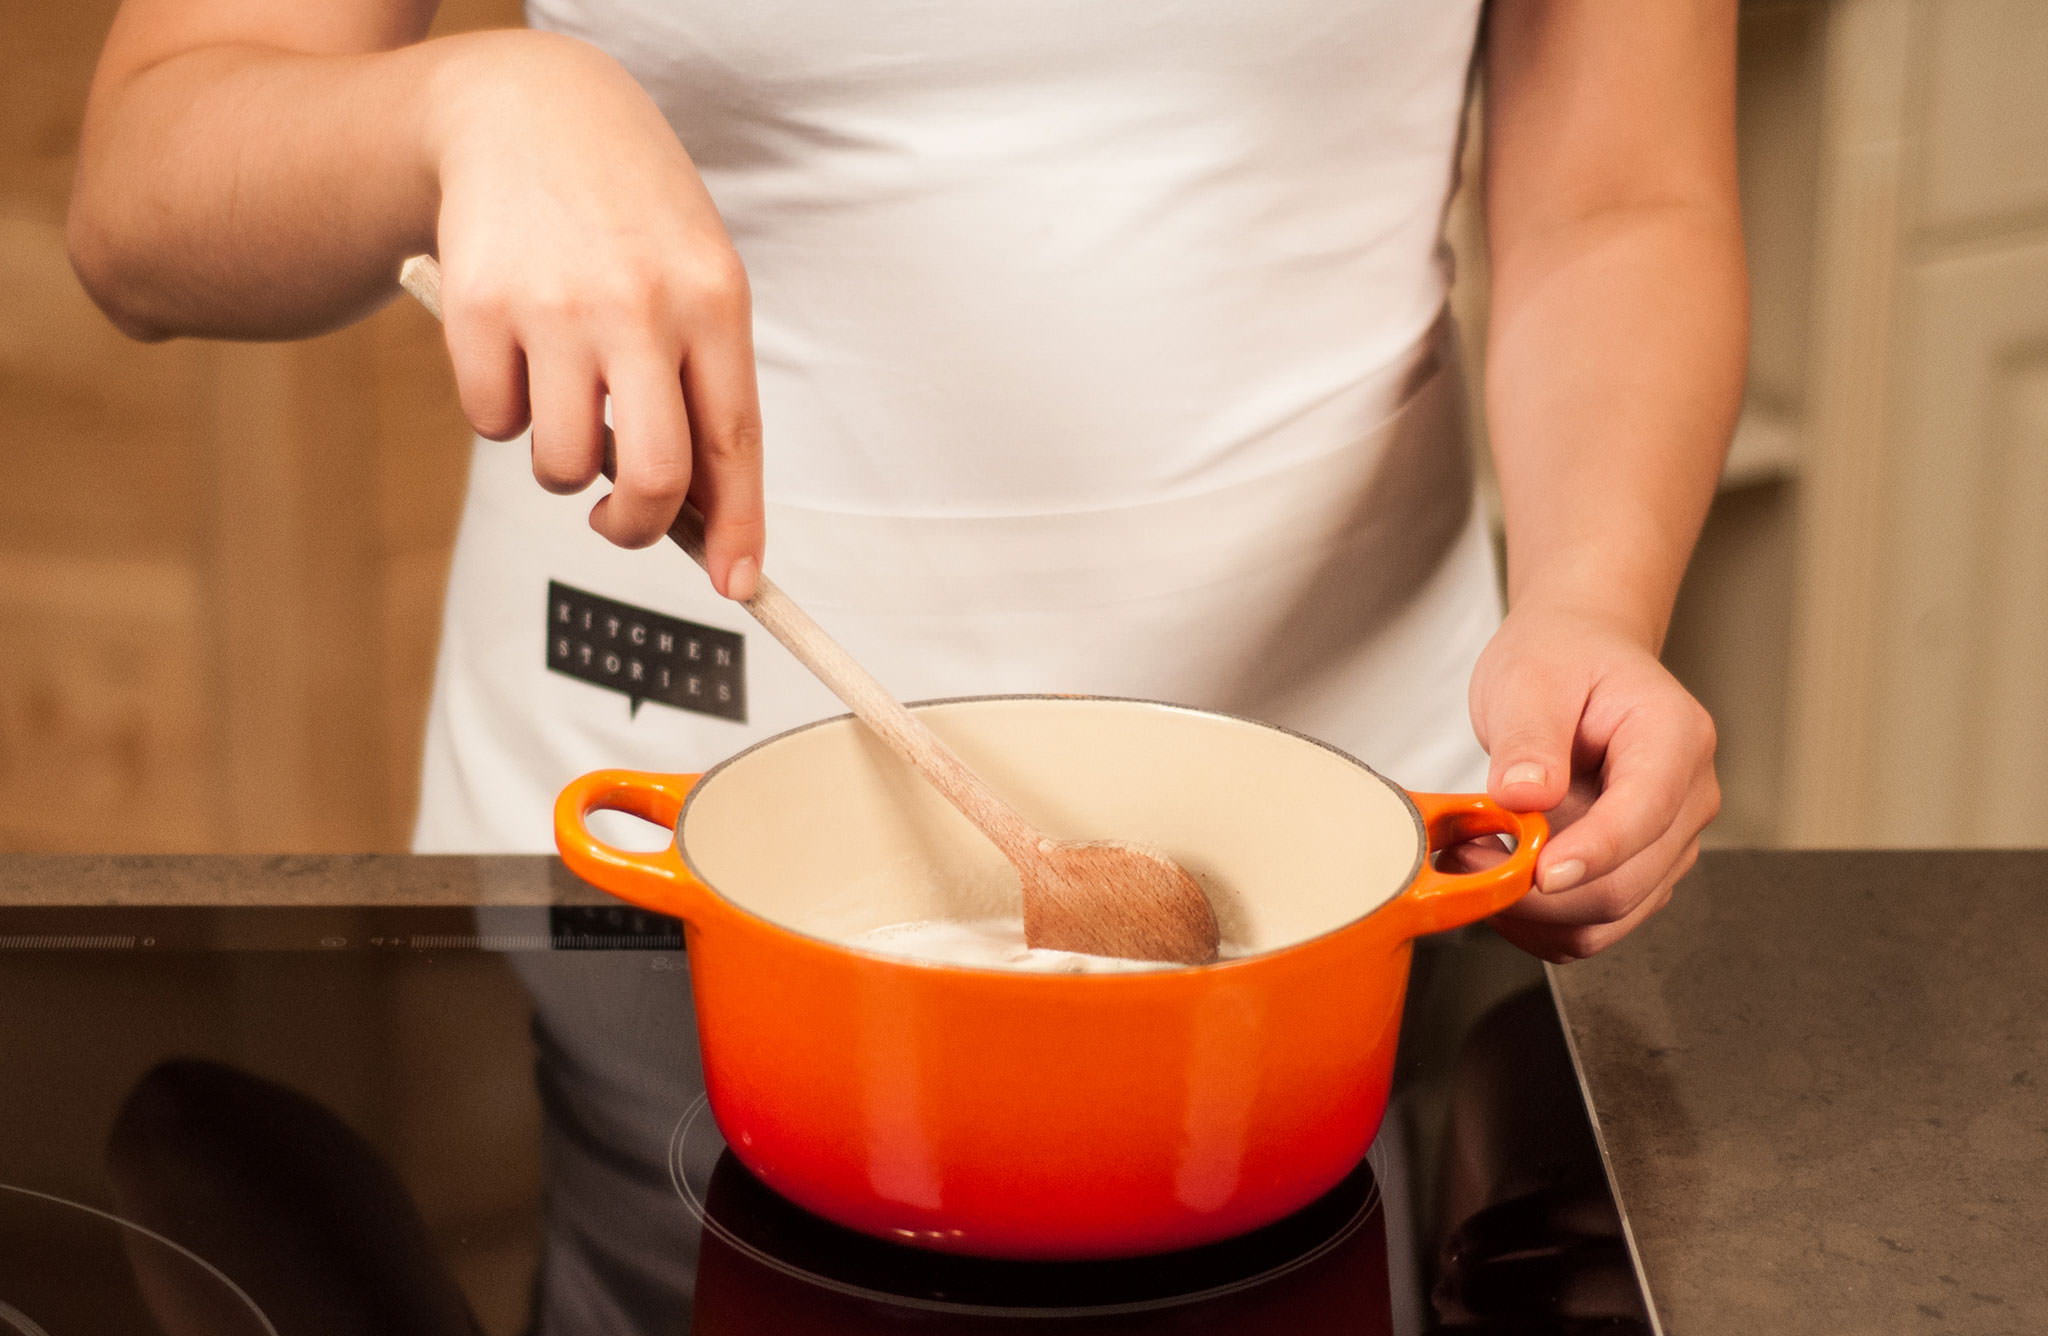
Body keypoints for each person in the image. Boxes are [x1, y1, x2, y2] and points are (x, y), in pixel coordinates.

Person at [68, 0, 1738, 962]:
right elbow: (144, 196)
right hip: (654, 854)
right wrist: (466, 98)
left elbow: (1618, 195)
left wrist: (1591, 596)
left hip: (1347, 850)